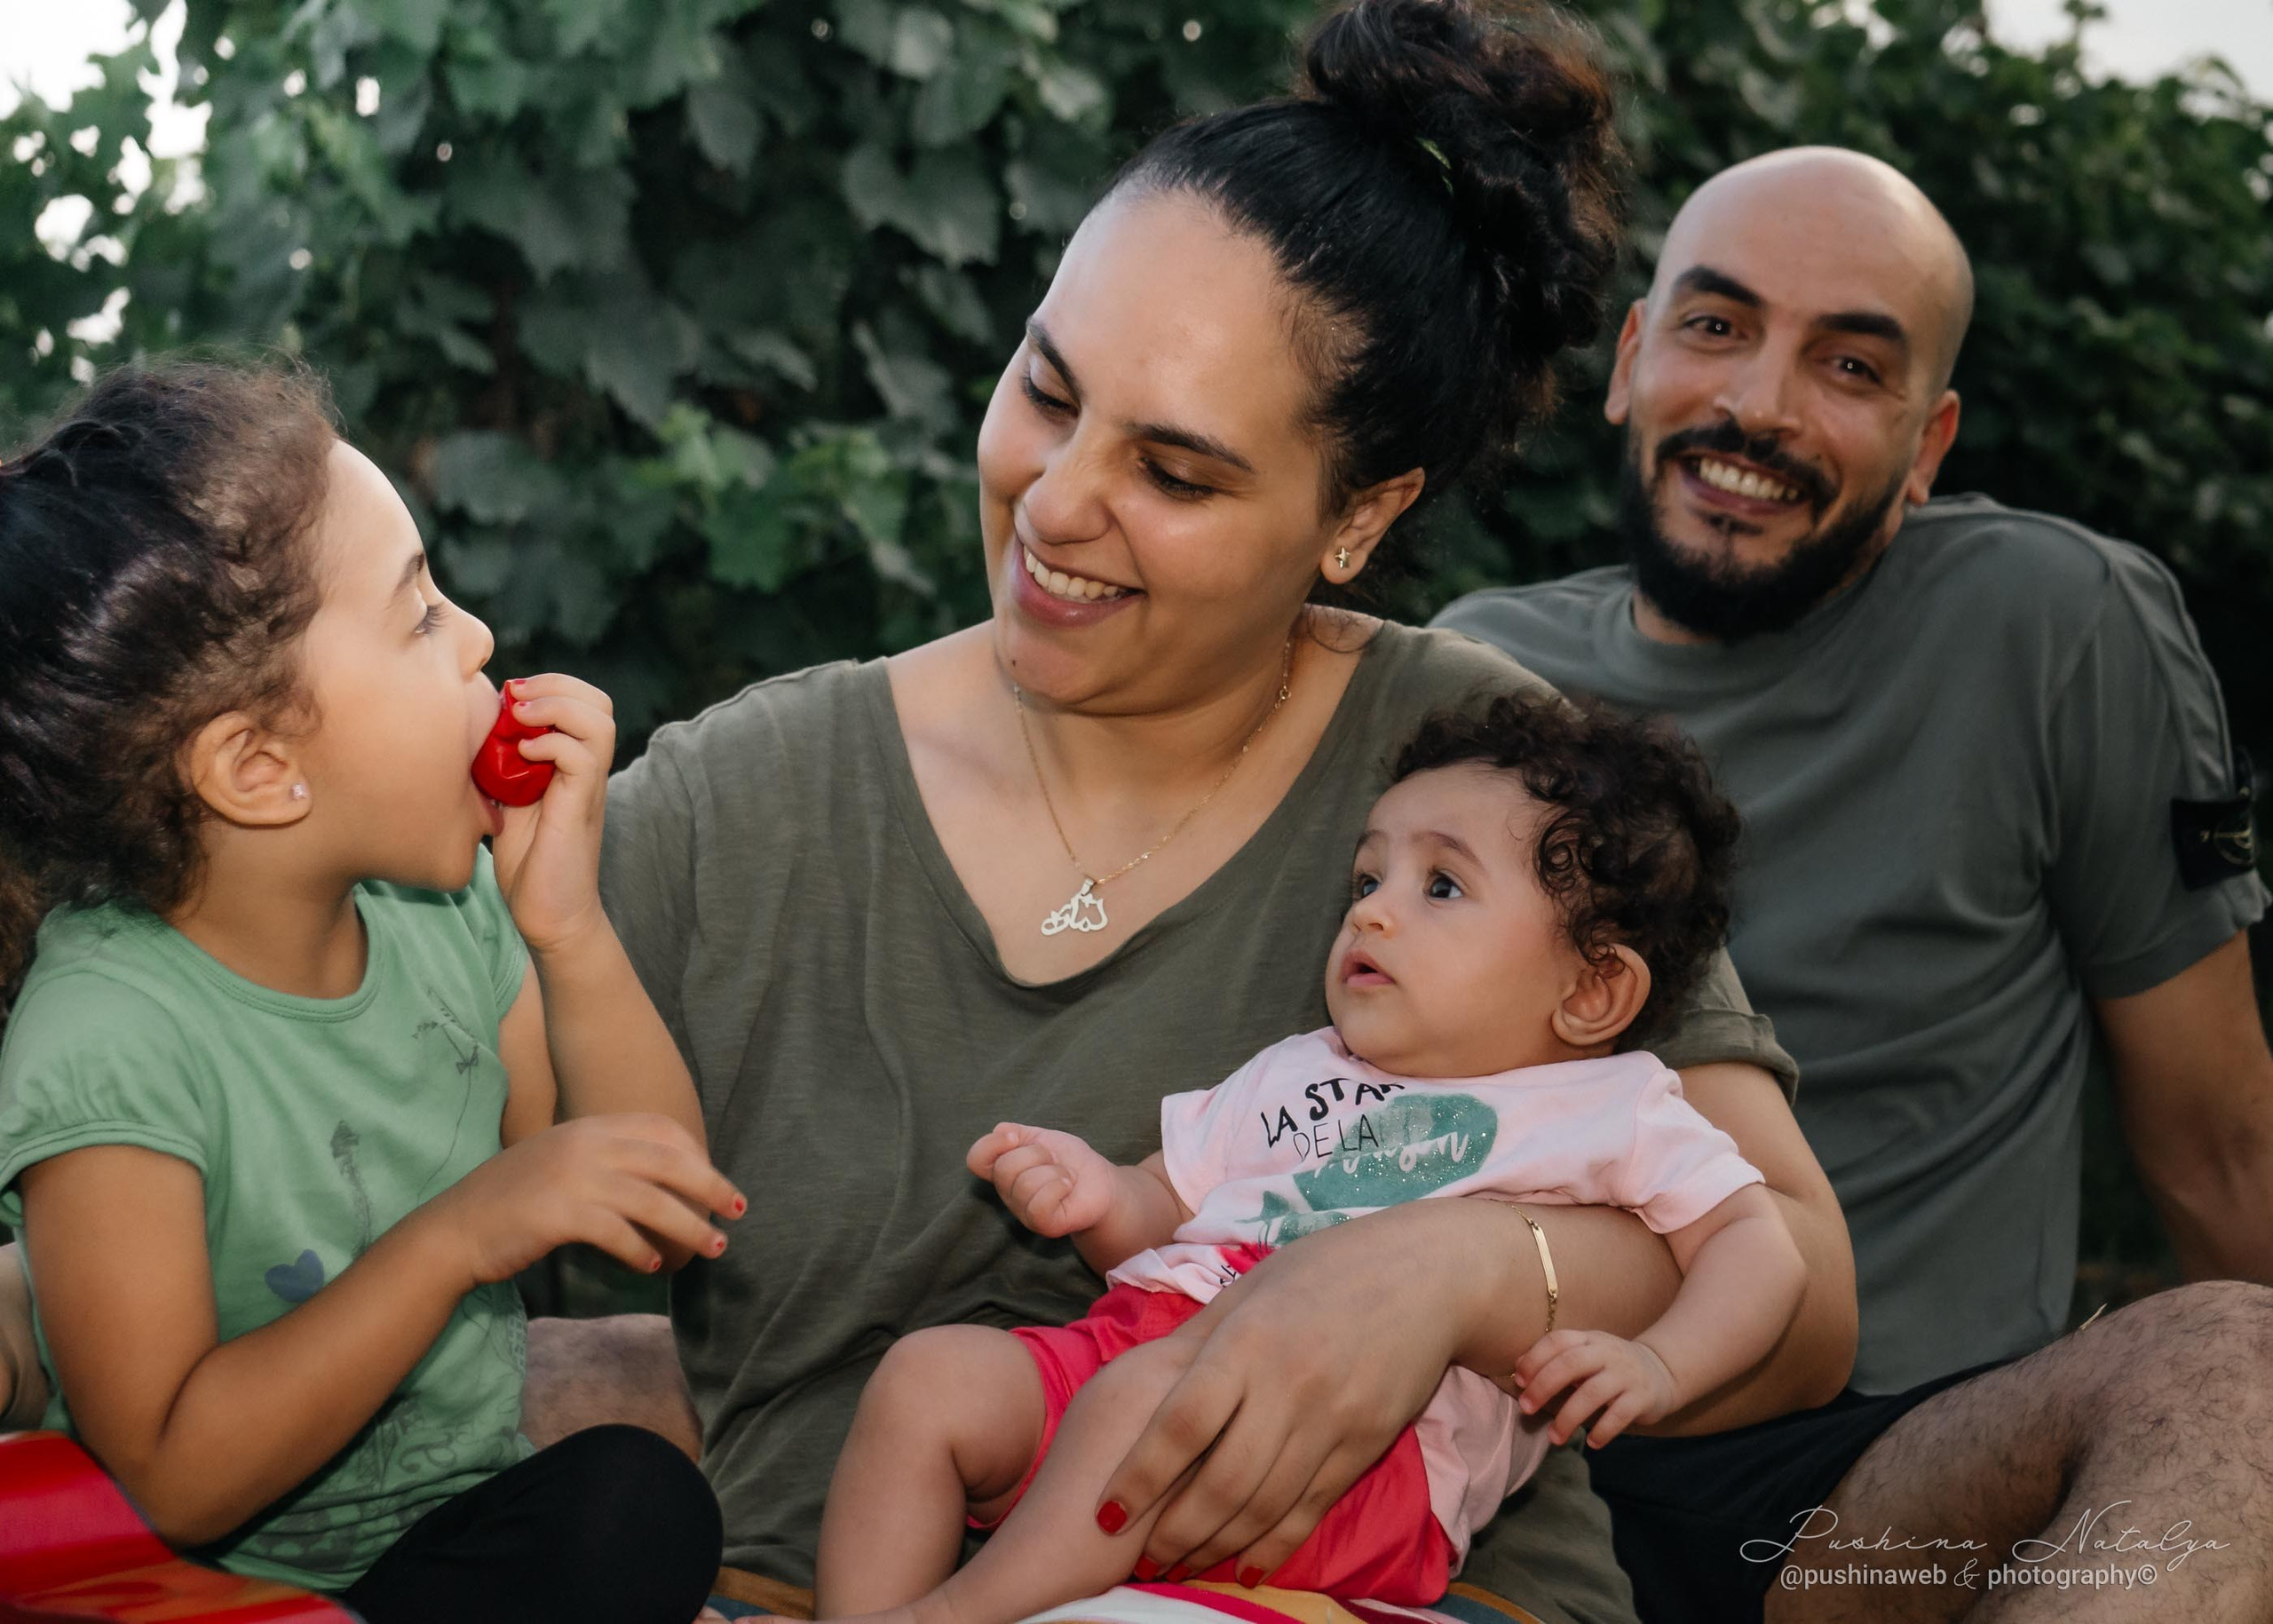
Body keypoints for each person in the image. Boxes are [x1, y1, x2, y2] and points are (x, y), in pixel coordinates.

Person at [1, 8, 1861, 1623]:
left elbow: (1792, 1286)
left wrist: (1453, 1261)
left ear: (1357, 512)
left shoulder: (1475, 771)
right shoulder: (738, 803)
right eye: (1046, 387)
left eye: (1175, 468)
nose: (1055, 502)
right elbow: (263, 1166)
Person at [1435, 147, 2273, 1623]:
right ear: (1632, 360)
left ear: (1930, 439)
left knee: (2239, 1368)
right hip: (1487, 1450)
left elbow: (2220, 1150)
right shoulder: (1474, 674)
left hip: (1861, 1488)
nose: (1758, 402)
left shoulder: (2052, 625)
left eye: (1848, 362)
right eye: (1716, 325)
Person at [0, 361, 741, 1624]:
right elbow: (172, 1473)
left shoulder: (442, 914)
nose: (480, 640)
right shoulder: (106, 1037)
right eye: (418, 617)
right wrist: (457, 1238)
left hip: (435, 1542)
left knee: (640, 1501)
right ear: (258, 764)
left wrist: (565, 929)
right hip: (199, 1583)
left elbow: (669, 1200)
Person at [810, 693, 1808, 1624]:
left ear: (1591, 992)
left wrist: (1660, 1362)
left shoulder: (1613, 1107)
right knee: (926, 1380)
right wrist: (1097, 1191)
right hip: (1148, 1347)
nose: (1372, 909)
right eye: (1369, 877)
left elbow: (1756, 1242)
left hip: (1361, 1454)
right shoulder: (1301, 1068)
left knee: (1142, 1394)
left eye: (1442, 884)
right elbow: (1168, 1206)